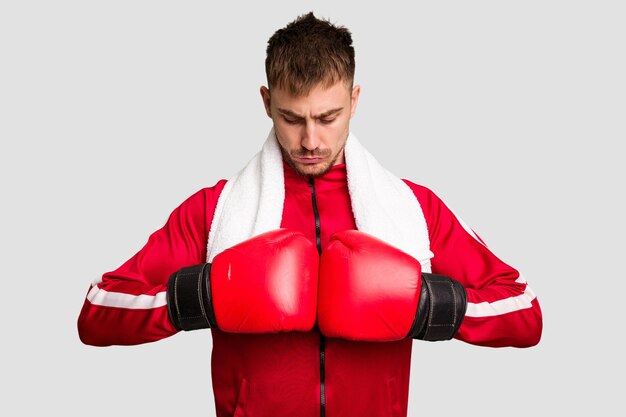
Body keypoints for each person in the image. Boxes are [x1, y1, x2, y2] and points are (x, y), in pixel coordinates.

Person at [77, 12, 542, 417]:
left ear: (355, 101)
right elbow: (96, 313)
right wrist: (203, 296)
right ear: (266, 103)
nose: (311, 141)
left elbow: (524, 313)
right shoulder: (214, 210)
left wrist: (425, 306)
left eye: (328, 117)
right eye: (292, 118)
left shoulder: (413, 208)